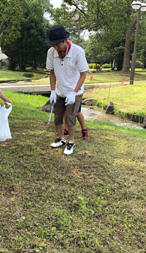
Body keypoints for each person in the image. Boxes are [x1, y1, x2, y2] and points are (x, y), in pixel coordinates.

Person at [46, 25, 89, 155]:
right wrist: (53, 90)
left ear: (65, 40)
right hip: (60, 91)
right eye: (53, 44)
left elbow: (84, 73)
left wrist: (74, 92)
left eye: (58, 44)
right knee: (58, 117)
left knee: (70, 118)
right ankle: (60, 139)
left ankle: (71, 142)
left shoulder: (77, 51)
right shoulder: (51, 52)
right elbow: (51, 72)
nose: (56, 48)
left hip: (74, 92)